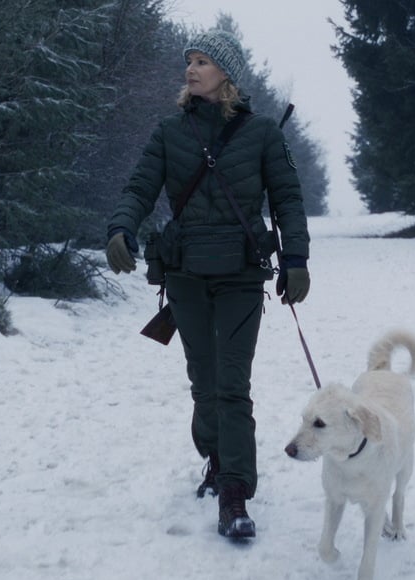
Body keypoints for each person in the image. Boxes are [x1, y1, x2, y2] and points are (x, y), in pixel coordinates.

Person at [105, 29, 311, 539]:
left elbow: (287, 199)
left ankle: (236, 493)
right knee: (204, 381)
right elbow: (139, 186)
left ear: (227, 75)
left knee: (232, 383)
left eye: (202, 62)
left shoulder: (263, 132)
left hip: (241, 276)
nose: (191, 69)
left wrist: (296, 259)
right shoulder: (168, 132)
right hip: (187, 275)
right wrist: (120, 227)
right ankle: (217, 461)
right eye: (189, 61)